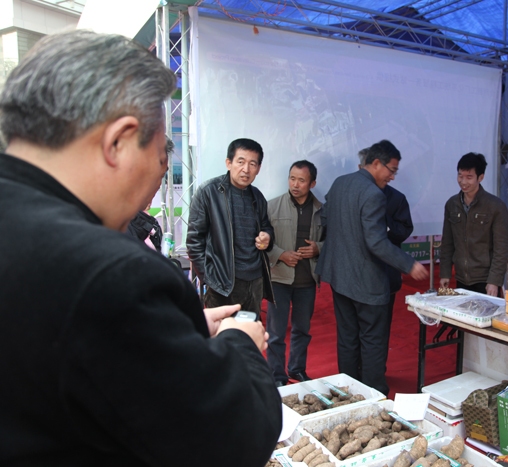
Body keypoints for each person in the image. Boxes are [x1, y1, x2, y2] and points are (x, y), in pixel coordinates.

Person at [0, 30, 281, 466]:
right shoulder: (109, 272)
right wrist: (239, 343)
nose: (157, 173)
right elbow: (229, 437)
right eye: (159, 154)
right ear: (119, 141)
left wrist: (176, 327)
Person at [316, 139, 428, 395]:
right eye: (392, 170)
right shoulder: (373, 194)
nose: (393, 177)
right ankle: (374, 395)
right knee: (373, 341)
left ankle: (346, 391)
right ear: (376, 163)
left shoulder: (340, 182)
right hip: (367, 281)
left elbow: (325, 219)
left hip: (339, 276)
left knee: (347, 338)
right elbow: (376, 242)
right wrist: (408, 264)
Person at [187, 138, 275, 316]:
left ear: (258, 168)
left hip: (255, 281)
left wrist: (267, 236)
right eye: (240, 162)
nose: (246, 169)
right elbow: (194, 242)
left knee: (249, 331)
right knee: (223, 332)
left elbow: (267, 227)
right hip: (223, 283)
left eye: (252, 164)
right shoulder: (208, 192)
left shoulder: (257, 196)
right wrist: (210, 279)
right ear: (229, 163)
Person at [266, 160, 324, 386]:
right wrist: (280, 254)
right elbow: (260, 241)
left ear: (312, 183)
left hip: (307, 280)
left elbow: (333, 240)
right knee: (276, 332)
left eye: (301, 180)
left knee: (302, 330)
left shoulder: (321, 211)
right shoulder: (272, 207)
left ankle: (297, 369)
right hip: (278, 278)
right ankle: (277, 376)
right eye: (292, 178)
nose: (295, 184)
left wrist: (318, 248)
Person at [439, 152, 508, 296]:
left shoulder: (495, 206)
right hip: (461, 278)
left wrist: (494, 281)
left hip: (486, 280)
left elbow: (501, 248)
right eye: (460, 176)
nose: (463, 181)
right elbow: (447, 242)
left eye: (469, 177)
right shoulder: (452, 204)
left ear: (480, 177)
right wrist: (445, 273)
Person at [358, 148, 414, 323]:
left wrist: (384, 221)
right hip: (354, 277)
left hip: (383, 277)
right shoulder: (349, 194)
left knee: (379, 329)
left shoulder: (397, 198)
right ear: (360, 168)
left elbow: (404, 230)